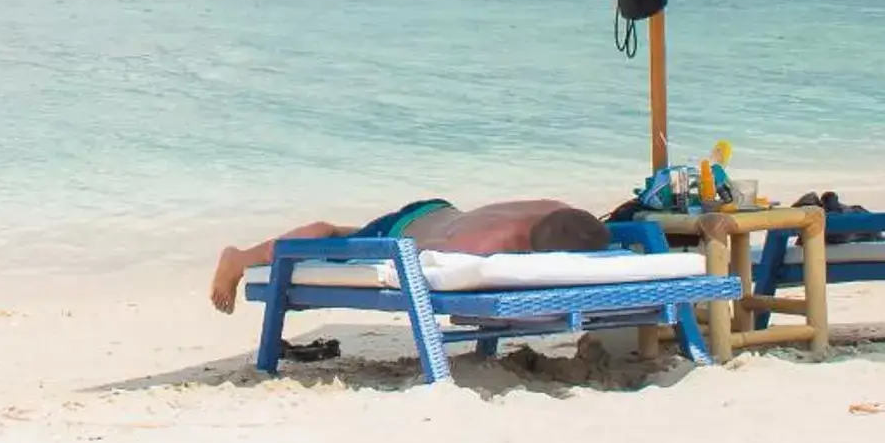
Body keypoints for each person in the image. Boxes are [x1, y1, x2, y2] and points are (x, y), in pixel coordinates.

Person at [209, 199, 611, 313]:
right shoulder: (481, 247)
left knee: (356, 230)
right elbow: (414, 259)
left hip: (435, 209)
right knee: (329, 240)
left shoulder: (553, 208)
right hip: (400, 233)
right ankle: (239, 258)